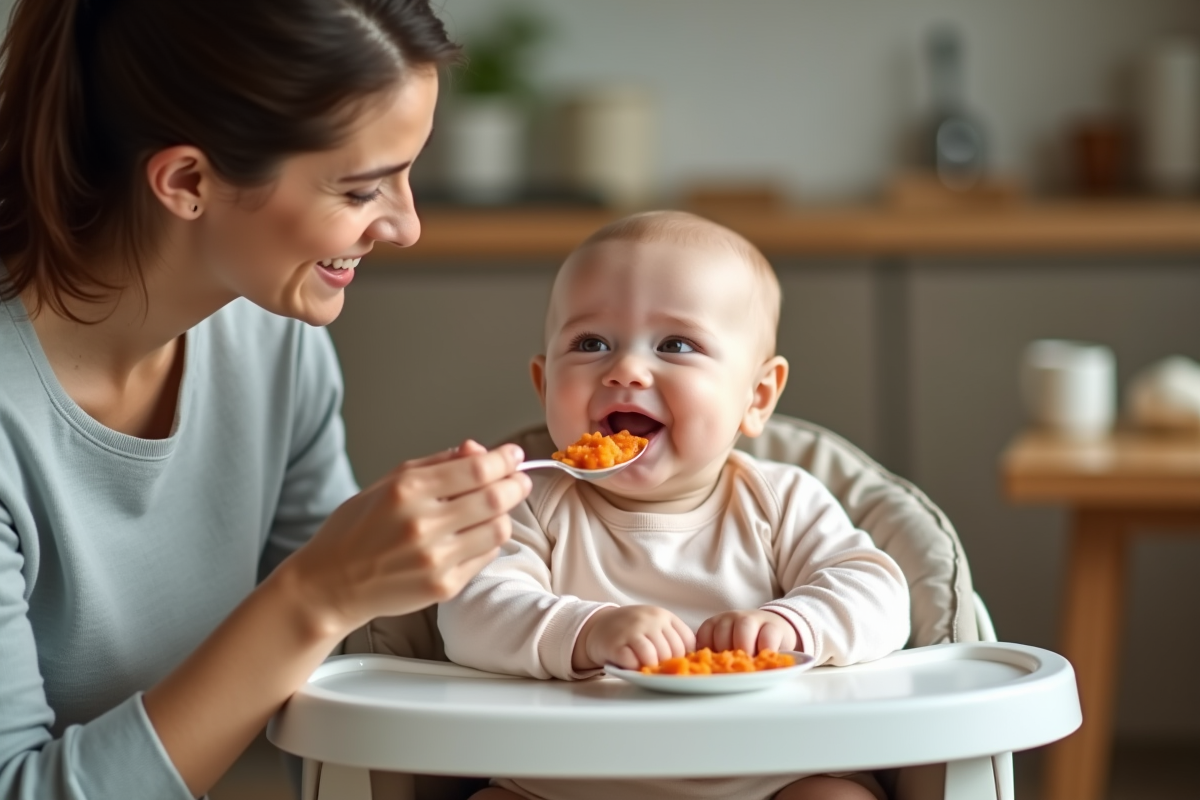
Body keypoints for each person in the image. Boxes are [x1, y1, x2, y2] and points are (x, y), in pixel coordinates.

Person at [0, 1, 532, 798]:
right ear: (187, 181)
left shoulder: (274, 345)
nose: (406, 226)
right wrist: (319, 590)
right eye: (361, 190)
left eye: (407, 174)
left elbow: (338, 696)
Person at [437, 211, 911, 800]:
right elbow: (470, 614)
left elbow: (878, 594)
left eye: (676, 344)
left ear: (756, 397)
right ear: (543, 383)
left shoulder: (780, 501)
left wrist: (793, 622)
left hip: (767, 775)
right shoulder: (531, 503)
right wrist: (587, 630)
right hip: (566, 781)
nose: (626, 370)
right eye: (591, 343)